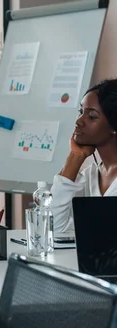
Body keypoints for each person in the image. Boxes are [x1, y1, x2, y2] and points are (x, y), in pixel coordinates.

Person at [51, 79, 117, 233]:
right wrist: (76, 156)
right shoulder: (90, 175)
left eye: (92, 117)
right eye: (81, 112)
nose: (78, 121)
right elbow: (56, 227)